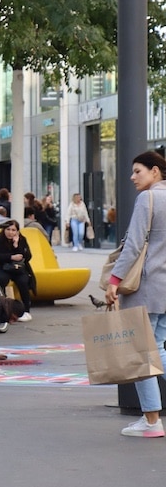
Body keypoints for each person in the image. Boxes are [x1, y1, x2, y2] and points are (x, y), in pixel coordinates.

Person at [104, 150, 166, 438]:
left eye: (138, 170)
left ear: (155, 171)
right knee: (158, 348)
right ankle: (150, 419)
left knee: (142, 353)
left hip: (146, 287)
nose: (132, 177)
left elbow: (134, 244)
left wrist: (114, 281)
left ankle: (152, 421)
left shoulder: (148, 198)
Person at [0, 219, 35, 322]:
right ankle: (3, 308)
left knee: (23, 281)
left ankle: (26, 310)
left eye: (13, 230)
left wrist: (16, 245)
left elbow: (27, 256)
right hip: (3, 267)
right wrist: (11, 257)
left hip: (19, 268)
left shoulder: (22, 240)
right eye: (8, 229)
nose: (10, 232)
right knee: (1, 279)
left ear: (17, 231)